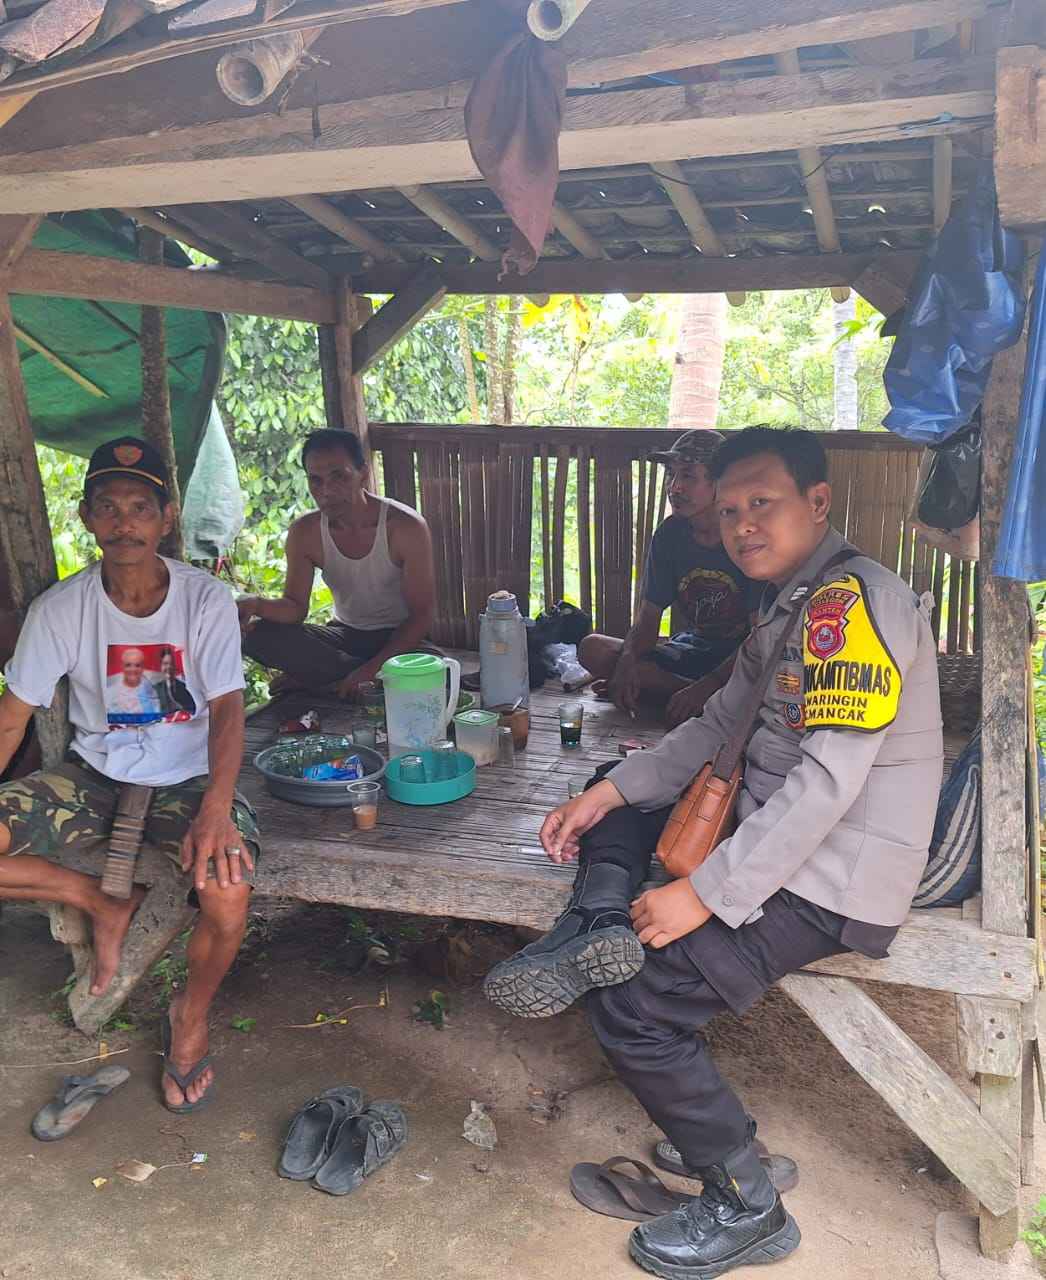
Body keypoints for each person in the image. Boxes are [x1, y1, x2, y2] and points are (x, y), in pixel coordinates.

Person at [485, 426, 943, 1276]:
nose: (742, 525)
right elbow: (716, 724)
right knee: (621, 786)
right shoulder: (792, 602)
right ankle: (593, 927)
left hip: (834, 878)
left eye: (762, 503)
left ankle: (747, 1204)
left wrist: (703, 892)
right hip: (778, 840)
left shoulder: (850, 606)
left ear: (817, 503)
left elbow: (828, 782)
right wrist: (605, 796)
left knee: (636, 1006)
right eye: (730, 511)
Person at [0, 436, 257, 1113]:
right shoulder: (61, 609)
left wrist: (217, 809)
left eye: (140, 508)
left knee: (228, 891)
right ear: (87, 518)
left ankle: (190, 1015)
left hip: (191, 779)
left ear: (166, 519)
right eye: (108, 508)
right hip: (93, 777)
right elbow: (11, 719)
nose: (124, 524)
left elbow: (229, 711)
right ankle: (94, 898)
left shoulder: (204, 600)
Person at [579, 430, 759, 729]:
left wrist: (707, 685)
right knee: (593, 649)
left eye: (687, 476)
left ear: (720, 483)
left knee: (763, 680)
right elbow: (649, 619)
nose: (674, 487)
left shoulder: (747, 539)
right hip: (693, 652)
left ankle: (693, 696)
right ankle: (691, 697)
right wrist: (626, 665)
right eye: (671, 475)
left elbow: (761, 639)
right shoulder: (670, 534)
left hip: (740, 663)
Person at [239, 428, 437, 695]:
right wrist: (255, 604)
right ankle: (361, 683)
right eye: (316, 481)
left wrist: (372, 669)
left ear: (363, 474)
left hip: (399, 640)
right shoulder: (305, 533)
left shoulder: (405, 527)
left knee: (437, 670)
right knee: (258, 636)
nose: (327, 491)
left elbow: (421, 617)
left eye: (339, 477)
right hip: (344, 637)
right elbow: (295, 608)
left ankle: (332, 681)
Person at [107, 646, 161, 719]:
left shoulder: (153, 691)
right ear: (122, 666)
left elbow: (157, 716)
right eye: (128, 665)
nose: (133, 669)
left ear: (143, 668)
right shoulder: (110, 693)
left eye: (137, 665)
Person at [154, 646, 197, 717]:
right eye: (165, 664)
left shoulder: (184, 687)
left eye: (171, 664)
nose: (169, 667)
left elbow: (192, 710)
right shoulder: (155, 689)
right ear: (161, 666)